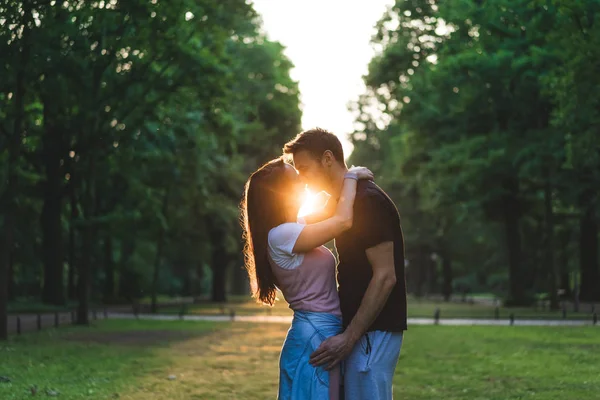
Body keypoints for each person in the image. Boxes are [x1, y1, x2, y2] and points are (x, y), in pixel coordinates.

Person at [283, 127, 407, 400]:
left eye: (304, 168)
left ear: (327, 159)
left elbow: (386, 276)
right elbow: (299, 226)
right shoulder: (345, 202)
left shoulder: (367, 202)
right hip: (358, 331)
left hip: (372, 332)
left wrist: (349, 338)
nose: (302, 180)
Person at [240, 157, 374, 400]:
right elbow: (342, 221)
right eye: (296, 178)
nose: (303, 182)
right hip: (315, 335)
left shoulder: (291, 228)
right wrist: (351, 177)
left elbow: (329, 207)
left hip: (318, 333)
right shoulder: (283, 236)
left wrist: (337, 179)